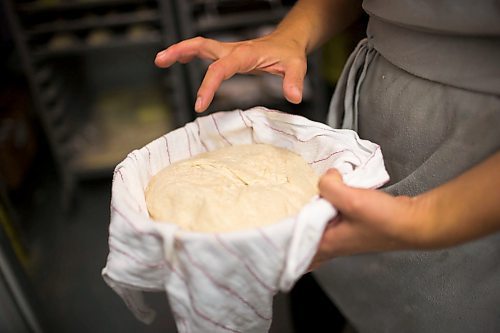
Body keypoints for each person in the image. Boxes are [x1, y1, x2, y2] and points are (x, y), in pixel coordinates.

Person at [155, 0, 500, 332]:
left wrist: (424, 218)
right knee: (330, 279)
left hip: (476, 169)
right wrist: (292, 35)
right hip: (375, 97)